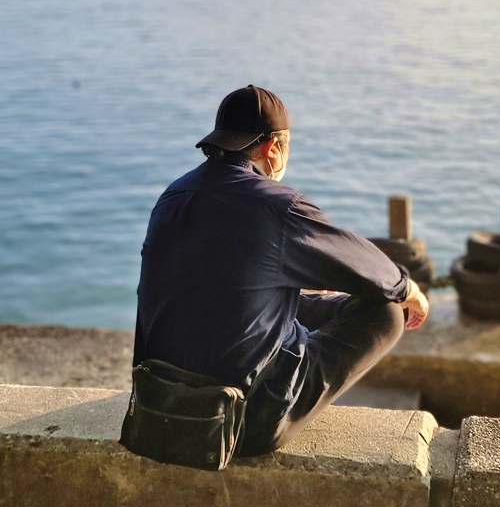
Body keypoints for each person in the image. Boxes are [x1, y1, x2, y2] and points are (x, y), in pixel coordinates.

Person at [132, 84, 429, 455]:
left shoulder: (171, 198)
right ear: (272, 149)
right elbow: (374, 270)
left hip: (158, 406)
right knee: (387, 310)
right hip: (242, 421)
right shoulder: (279, 206)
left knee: (292, 299)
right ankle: (286, 407)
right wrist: (410, 290)